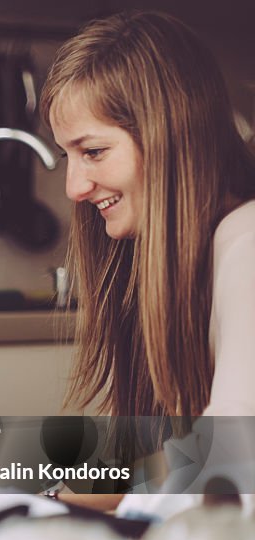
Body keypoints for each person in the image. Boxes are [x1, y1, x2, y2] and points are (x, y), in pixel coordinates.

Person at [39, 11, 255, 514]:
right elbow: (168, 454)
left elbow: (232, 457)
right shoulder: (171, 256)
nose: (74, 188)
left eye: (93, 151)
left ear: (170, 135)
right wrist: (59, 501)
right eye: (68, 157)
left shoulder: (246, 243)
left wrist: (62, 506)